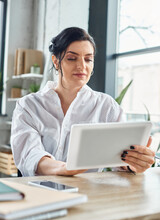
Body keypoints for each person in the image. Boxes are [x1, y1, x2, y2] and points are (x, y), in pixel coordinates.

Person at [11, 27, 155, 177]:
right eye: (72, 58)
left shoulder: (107, 106)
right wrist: (63, 168)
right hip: (40, 193)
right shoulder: (29, 106)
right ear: (56, 61)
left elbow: (120, 160)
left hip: (87, 194)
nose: (82, 66)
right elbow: (29, 155)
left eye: (88, 59)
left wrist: (134, 163)